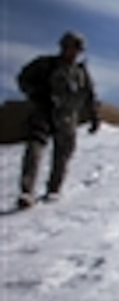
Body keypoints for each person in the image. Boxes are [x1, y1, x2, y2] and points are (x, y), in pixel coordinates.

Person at [15, 31, 100, 209]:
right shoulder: (45, 65)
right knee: (34, 149)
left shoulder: (81, 73)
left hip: (67, 117)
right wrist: (36, 93)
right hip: (44, 112)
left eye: (78, 49)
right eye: (72, 48)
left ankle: (54, 189)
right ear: (63, 47)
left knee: (63, 154)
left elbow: (90, 96)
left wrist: (94, 117)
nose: (74, 52)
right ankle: (27, 190)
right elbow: (23, 79)